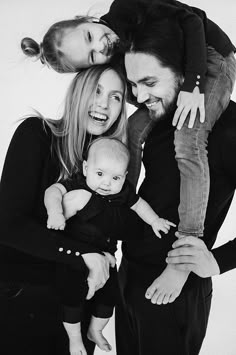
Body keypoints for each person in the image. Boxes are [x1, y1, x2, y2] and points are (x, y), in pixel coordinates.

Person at [20, 0, 236, 295]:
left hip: (212, 60)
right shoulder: (121, 57)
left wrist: (193, 85)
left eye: (89, 37)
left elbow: (193, 19)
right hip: (178, 73)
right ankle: (122, 201)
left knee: (189, 140)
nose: (101, 49)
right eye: (93, 57)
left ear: (86, 19)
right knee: (132, 130)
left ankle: (185, 251)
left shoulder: (124, 8)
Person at [112, 20, 236, 355]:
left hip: (176, 293)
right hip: (128, 277)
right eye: (134, 84)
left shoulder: (228, 127)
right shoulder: (155, 120)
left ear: (185, 71)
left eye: (149, 82)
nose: (138, 96)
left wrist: (219, 261)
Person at [0, 63, 134, 355]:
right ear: (78, 93)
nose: (104, 104)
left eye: (116, 96)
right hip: (24, 299)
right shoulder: (36, 134)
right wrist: (80, 254)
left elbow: (125, 226)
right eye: (96, 91)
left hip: (78, 306)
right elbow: (8, 226)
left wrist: (92, 205)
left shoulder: (115, 161)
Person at [45, 136, 175, 354]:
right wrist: (55, 212)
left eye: (115, 177)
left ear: (124, 177)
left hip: (107, 257)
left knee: (110, 297)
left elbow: (139, 204)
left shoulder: (123, 192)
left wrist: (154, 220)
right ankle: (75, 338)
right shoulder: (76, 182)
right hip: (74, 255)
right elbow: (52, 192)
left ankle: (95, 330)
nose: (106, 183)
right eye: (99, 174)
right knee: (72, 297)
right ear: (86, 168)